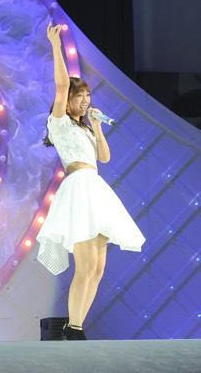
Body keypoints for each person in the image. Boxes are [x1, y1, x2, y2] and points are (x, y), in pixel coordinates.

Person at [36, 23, 145, 340]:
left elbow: (105, 158)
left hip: (96, 189)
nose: (85, 100)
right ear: (68, 99)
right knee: (84, 266)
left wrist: (96, 127)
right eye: (79, 95)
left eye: (87, 95)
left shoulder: (84, 127)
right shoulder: (58, 123)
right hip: (78, 189)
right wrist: (55, 45)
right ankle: (73, 326)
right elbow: (60, 85)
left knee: (97, 268)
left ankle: (77, 325)